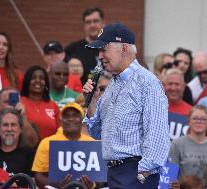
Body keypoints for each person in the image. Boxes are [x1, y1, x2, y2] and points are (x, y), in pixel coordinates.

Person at [83, 22, 170, 188]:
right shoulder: (112, 84)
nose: (100, 56)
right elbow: (97, 133)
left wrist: (143, 175)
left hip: (135, 174)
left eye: (104, 49)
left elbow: (157, 133)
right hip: (115, 173)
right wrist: (93, 100)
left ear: (123, 48)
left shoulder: (147, 83)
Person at [32, 102, 96, 189]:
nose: (71, 119)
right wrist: (56, 184)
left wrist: (92, 185)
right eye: (67, 116)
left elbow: (100, 178)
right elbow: (38, 176)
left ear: (82, 120)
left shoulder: (92, 144)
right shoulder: (46, 143)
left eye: (75, 115)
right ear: (61, 120)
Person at [169, 105, 207, 186]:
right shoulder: (177, 144)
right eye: (195, 118)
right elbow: (171, 175)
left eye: (203, 119)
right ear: (189, 121)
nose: (199, 121)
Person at [0, 108, 36, 187]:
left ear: (20, 129)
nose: (9, 129)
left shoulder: (30, 154)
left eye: (13, 125)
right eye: (5, 125)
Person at [65, 6, 104, 84]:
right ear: (84, 25)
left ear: (103, 23)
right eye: (88, 22)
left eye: (96, 21)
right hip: (80, 95)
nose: (92, 25)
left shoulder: (111, 47)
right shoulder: (72, 49)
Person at [21, 65, 60, 139]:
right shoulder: (20, 103)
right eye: (33, 78)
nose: (38, 80)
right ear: (27, 81)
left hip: (49, 148)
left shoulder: (53, 105)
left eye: (41, 78)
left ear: (46, 83)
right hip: (27, 149)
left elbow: (60, 132)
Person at [0, 32, 24, 102]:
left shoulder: (17, 75)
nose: (1, 47)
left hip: (8, 112)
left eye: (5, 45)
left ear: (8, 49)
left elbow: (16, 102)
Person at [163, 68, 192, 139]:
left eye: (177, 84)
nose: (173, 88)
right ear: (163, 85)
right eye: (170, 84)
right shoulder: (154, 109)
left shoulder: (192, 112)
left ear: (184, 87)